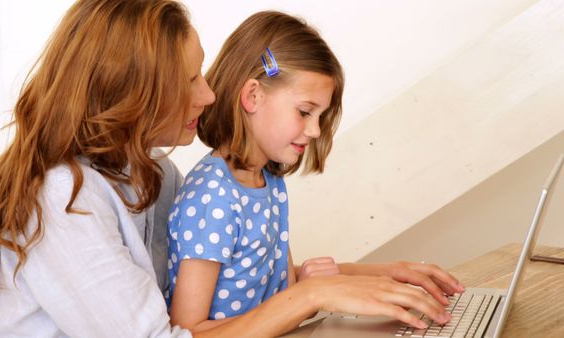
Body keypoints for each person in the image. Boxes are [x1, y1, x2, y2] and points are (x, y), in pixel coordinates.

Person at [0, 1, 462, 337]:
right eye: (190, 78)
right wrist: (314, 293)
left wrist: (376, 276)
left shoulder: (156, 176)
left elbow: (241, 279)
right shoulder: (61, 200)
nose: (210, 94)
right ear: (136, 91)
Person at [166, 11, 465, 336]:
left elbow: (278, 290)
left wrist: (390, 274)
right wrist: (307, 295)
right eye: (305, 111)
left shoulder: (266, 180)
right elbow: (189, 331)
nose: (314, 130)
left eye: (320, 117)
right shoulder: (213, 196)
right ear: (253, 96)